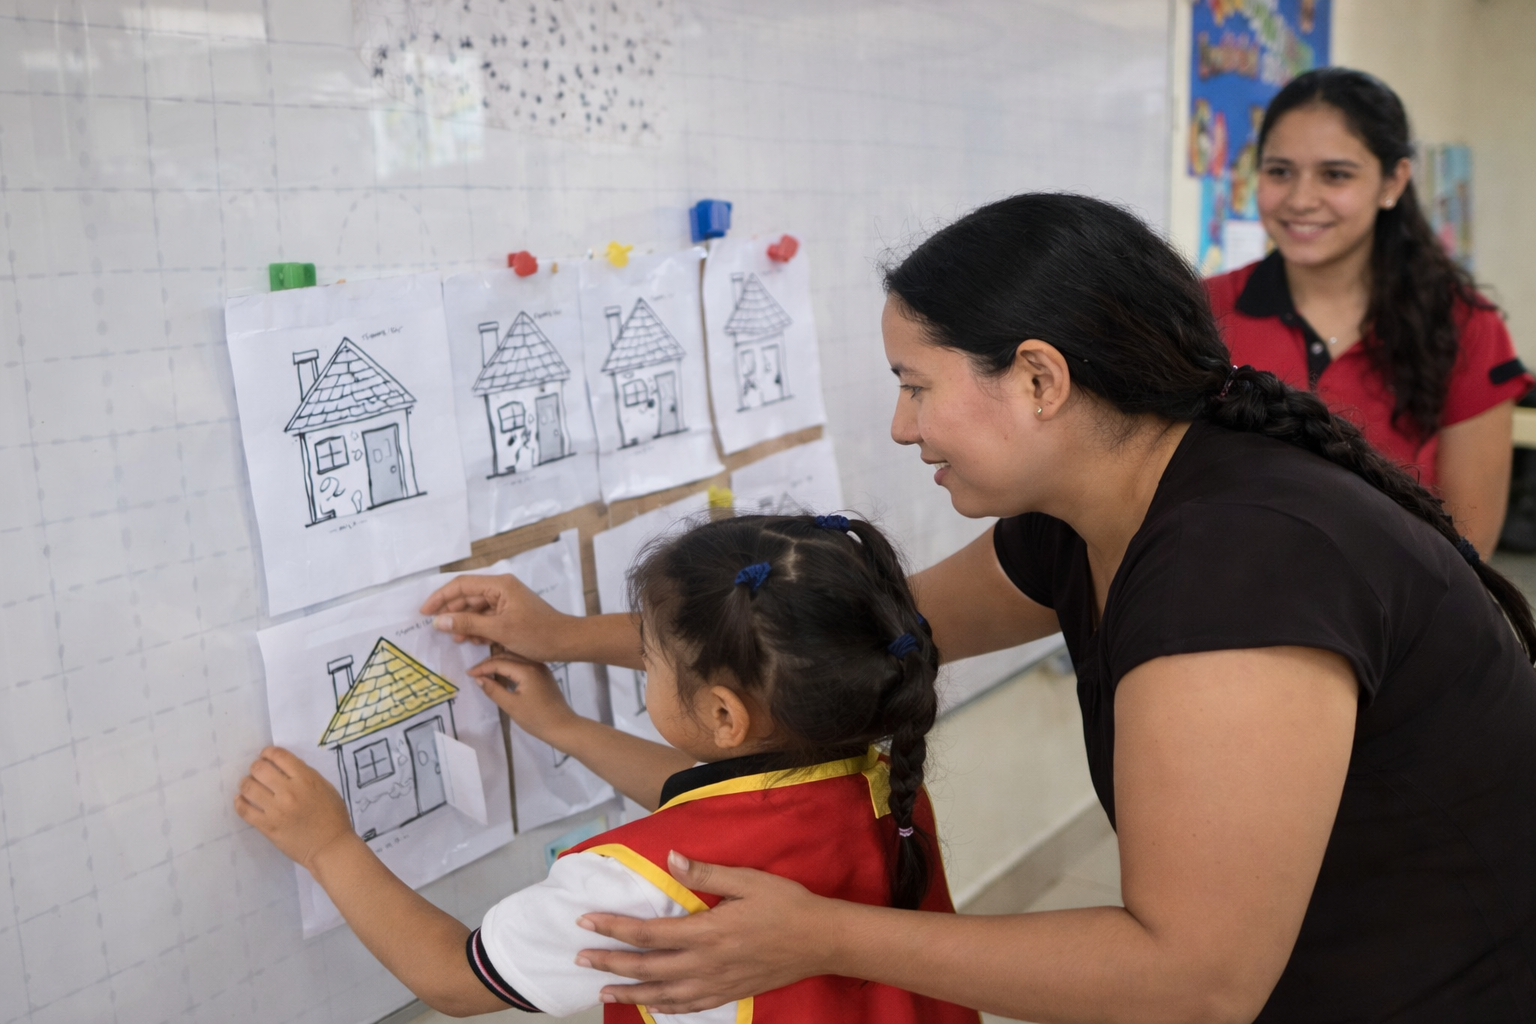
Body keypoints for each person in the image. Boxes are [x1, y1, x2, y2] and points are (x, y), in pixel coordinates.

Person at [429, 194, 1536, 1023]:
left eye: (916, 385)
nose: (903, 428)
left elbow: (1196, 979)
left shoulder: (1240, 569)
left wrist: (822, 936)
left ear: (1041, 379)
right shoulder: (1095, 505)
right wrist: (561, 637)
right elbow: (816, 632)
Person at [235, 513, 980, 1023]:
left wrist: (328, 846)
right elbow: (717, 815)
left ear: (725, 717)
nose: (643, 668)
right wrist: (565, 729)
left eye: (647, 659)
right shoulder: (880, 783)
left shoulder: (627, 883)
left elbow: (453, 980)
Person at [1206, 67, 1532, 555]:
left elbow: (1469, 548)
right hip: (1223, 587)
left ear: (1392, 181)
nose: (1300, 199)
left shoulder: (1467, 327)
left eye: (1335, 174)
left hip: (1399, 600)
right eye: (1279, 171)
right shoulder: (1197, 309)